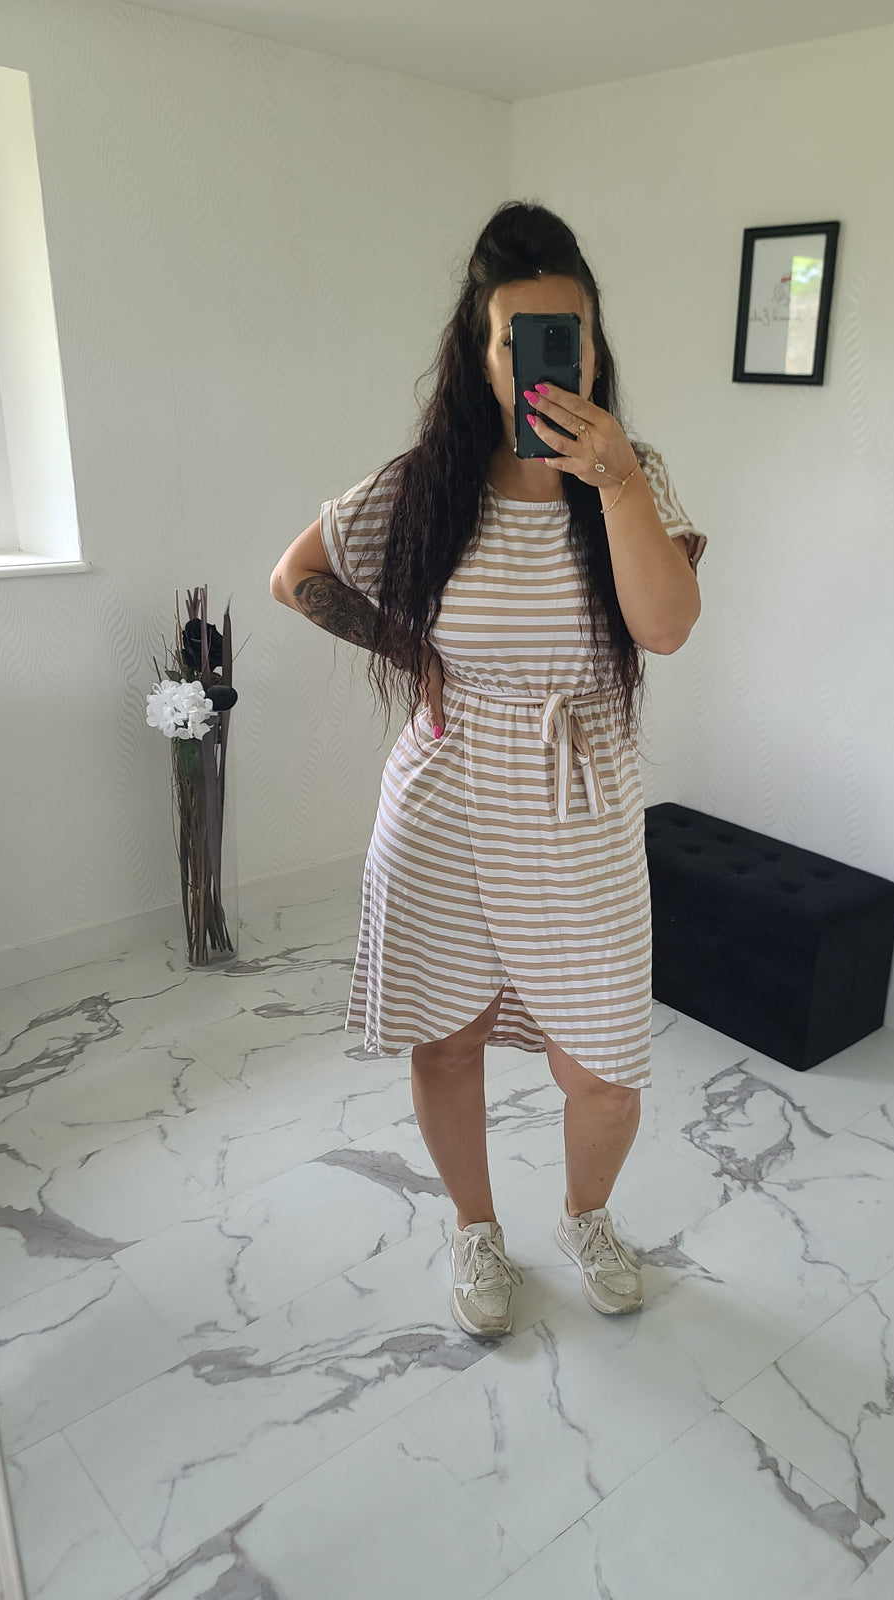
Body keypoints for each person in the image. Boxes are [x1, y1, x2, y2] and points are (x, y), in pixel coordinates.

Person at [270, 200, 707, 1339]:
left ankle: (585, 1216)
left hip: (581, 800)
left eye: (571, 336)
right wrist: (413, 654)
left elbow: (664, 627)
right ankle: (475, 1228)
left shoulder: (634, 479)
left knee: (602, 1066)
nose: (547, 360)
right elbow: (297, 576)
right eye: (520, 339)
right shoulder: (427, 484)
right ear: (482, 351)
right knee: (448, 1036)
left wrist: (615, 481)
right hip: (449, 792)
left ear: (595, 346)